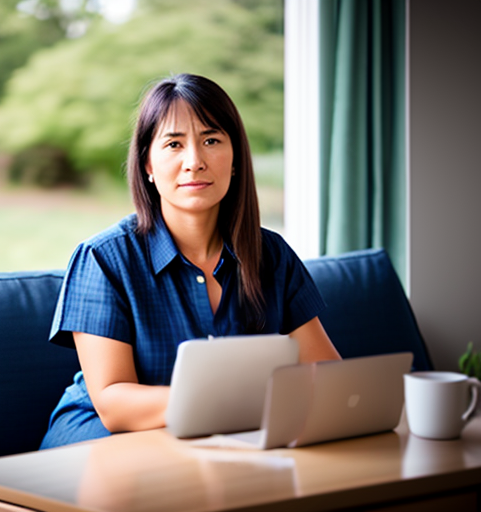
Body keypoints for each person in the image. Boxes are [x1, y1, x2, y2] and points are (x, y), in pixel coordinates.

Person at [40, 73, 341, 449]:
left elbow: (326, 375)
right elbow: (114, 403)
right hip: (104, 442)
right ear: (147, 164)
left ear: (235, 160)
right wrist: (237, 404)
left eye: (211, 140)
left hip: (223, 439)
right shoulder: (103, 258)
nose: (194, 161)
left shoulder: (272, 255)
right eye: (173, 144)